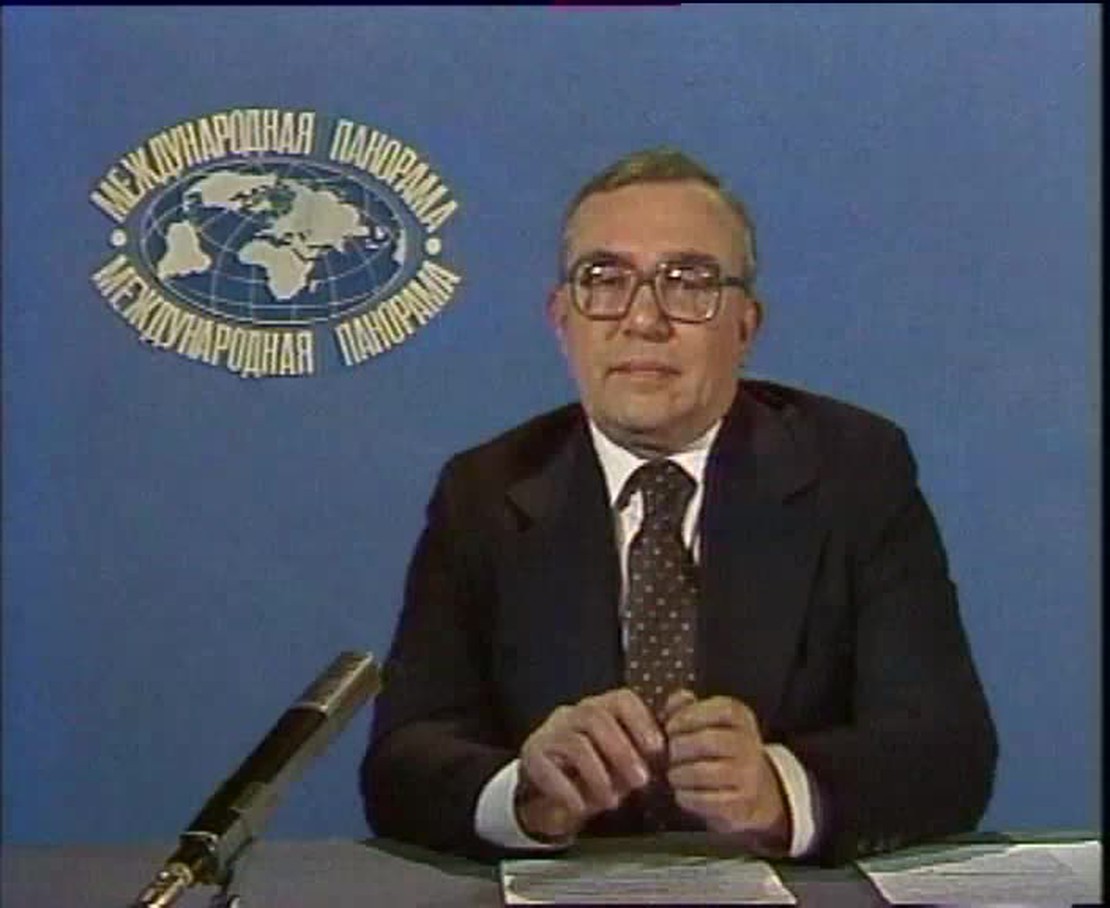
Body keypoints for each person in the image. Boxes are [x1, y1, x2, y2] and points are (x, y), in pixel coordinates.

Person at [360, 148, 997, 865]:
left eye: (688, 283)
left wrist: (781, 790)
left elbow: (947, 747)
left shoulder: (853, 471)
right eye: (605, 280)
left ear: (745, 325)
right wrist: (522, 793)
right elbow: (403, 760)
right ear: (562, 319)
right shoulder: (483, 491)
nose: (643, 319)